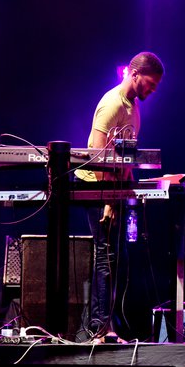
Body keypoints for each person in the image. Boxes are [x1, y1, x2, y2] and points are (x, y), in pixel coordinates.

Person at [75, 51, 164, 343]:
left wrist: (129, 194)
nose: (152, 90)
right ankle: (100, 329)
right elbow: (97, 156)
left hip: (113, 192)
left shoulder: (133, 107)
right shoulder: (112, 103)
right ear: (134, 74)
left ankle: (102, 325)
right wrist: (109, 202)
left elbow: (124, 158)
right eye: (149, 84)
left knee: (116, 258)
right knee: (105, 257)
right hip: (96, 190)